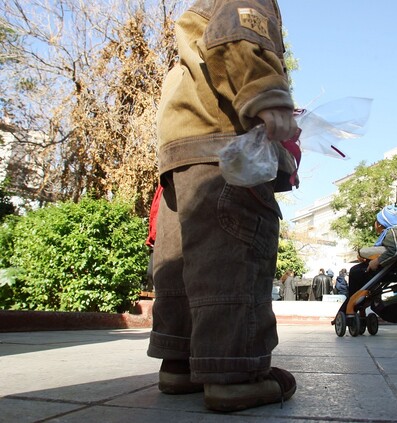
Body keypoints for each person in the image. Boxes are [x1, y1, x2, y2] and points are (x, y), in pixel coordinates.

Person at [147, 1, 297, 412]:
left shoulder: (197, 10)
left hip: (183, 153)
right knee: (231, 257)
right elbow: (240, 35)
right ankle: (234, 375)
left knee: (182, 264)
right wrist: (271, 97)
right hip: (222, 147)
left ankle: (179, 363)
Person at [347, 205, 397, 299]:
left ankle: (352, 304)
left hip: (391, 269)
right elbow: (383, 250)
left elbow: (396, 250)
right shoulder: (390, 232)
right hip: (388, 267)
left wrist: (377, 261)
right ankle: (355, 302)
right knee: (357, 270)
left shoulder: (393, 231)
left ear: (380, 223)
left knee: (355, 271)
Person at [143, 185, 163, 292]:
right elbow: (155, 213)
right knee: (151, 273)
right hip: (157, 239)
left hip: (166, 238)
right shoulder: (161, 187)